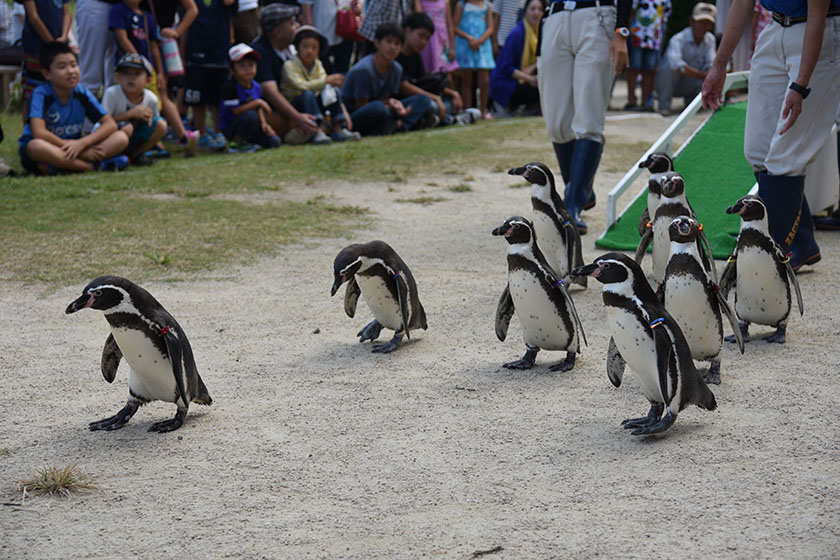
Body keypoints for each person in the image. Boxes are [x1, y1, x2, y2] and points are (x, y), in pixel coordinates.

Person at [702, 0, 840, 271]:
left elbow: (817, 14)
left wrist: (800, 86)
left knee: (785, 157)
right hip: (775, 28)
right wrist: (719, 66)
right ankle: (802, 242)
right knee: (757, 151)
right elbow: (742, 3)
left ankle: (770, 255)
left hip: (819, 32)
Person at [537, 0, 631, 234]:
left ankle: (572, 205)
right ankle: (581, 189)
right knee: (557, 124)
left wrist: (621, 30)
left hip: (596, 14)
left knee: (589, 119)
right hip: (554, 16)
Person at [18, 42, 130, 174]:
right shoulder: (41, 94)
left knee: (121, 137)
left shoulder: (80, 92)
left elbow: (110, 124)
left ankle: (62, 167)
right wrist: (79, 150)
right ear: (47, 73)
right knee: (36, 146)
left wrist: (82, 144)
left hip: (75, 147)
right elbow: (39, 133)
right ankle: (93, 167)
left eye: (74, 65)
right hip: (51, 147)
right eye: (62, 67)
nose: (71, 71)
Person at [109, 0, 198, 154]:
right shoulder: (118, 11)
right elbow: (122, 38)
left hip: (148, 68)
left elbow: (154, 46)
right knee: (130, 98)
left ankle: (177, 136)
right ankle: (137, 142)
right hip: (130, 67)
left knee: (159, 97)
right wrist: (137, 62)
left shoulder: (146, 17)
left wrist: (160, 72)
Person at [341, 22, 436, 135]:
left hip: (384, 108)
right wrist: (390, 107)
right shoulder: (364, 70)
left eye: (397, 44)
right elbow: (361, 106)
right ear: (377, 42)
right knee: (379, 109)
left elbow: (388, 97)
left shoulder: (396, 69)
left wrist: (395, 104)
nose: (392, 47)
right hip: (357, 113)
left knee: (423, 100)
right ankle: (399, 124)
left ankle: (397, 125)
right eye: (388, 42)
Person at [250, 3, 321, 144]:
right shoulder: (259, 52)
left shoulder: (294, 47)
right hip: (274, 110)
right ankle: (313, 130)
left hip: (297, 101)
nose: (297, 26)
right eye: (292, 23)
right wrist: (297, 118)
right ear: (278, 32)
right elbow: (271, 93)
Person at [281, 25, 360, 144]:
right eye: (305, 46)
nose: (309, 51)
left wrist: (329, 84)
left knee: (334, 91)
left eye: (314, 47)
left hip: (313, 102)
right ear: (297, 48)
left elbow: (323, 83)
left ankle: (339, 129)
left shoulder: (318, 64)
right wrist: (326, 81)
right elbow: (301, 85)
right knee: (307, 94)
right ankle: (317, 131)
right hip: (295, 105)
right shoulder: (289, 65)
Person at [398, 11, 469, 125]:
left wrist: (453, 93)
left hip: (418, 99)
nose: (423, 42)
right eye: (420, 36)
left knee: (447, 102)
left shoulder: (416, 56)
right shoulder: (396, 55)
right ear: (407, 30)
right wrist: (435, 98)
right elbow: (403, 87)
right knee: (429, 104)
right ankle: (451, 120)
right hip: (402, 101)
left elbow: (424, 82)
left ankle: (430, 119)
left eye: (427, 39)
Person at [183, 0, 236, 151]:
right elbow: (185, 24)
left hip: (220, 53)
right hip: (196, 53)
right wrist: (182, 54)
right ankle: (202, 134)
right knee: (198, 100)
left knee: (218, 98)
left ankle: (218, 132)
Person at [102, 53, 168, 166]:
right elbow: (103, 123)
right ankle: (113, 155)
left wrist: (147, 118)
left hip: (135, 137)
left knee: (161, 124)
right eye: (125, 73)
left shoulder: (151, 98)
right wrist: (130, 114)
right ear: (117, 77)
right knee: (127, 128)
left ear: (148, 80)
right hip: (112, 137)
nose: (131, 78)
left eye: (137, 74)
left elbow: (154, 122)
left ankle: (136, 155)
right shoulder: (112, 93)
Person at [654, 2, 716, 115]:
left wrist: (709, 74)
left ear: (711, 26)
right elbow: (676, 65)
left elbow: (711, 63)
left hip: (690, 83)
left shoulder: (710, 40)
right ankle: (664, 105)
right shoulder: (678, 38)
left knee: (713, 74)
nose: (703, 27)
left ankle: (692, 105)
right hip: (670, 83)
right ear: (692, 21)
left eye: (707, 23)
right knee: (668, 67)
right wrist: (702, 75)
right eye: (700, 22)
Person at [219, 43, 282, 152]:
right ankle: (236, 143)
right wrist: (257, 102)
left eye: (251, 65)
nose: (247, 69)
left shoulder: (256, 86)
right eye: (242, 65)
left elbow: (258, 109)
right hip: (232, 126)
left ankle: (249, 142)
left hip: (252, 124)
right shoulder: (230, 87)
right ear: (232, 70)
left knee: (274, 142)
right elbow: (235, 111)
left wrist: (264, 123)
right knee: (249, 116)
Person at [488, 0, 542, 115]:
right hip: (505, 83)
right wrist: (530, 79)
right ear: (525, 11)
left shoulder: (538, 33)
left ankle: (528, 107)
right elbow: (506, 68)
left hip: (520, 78)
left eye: (540, 9)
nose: (536, 13)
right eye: (532, 9)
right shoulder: (517, 33)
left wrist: (532, 68)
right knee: (543, 87)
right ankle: (514, 107)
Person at [17, 0, 72, 112]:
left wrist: (64, 36)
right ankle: (29, 128)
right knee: (32, 93)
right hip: (37, 50)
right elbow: (34, 17)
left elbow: (67, 14)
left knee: (59, 89)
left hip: (59, 48)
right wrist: (51, 43)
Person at [453, 0, 495, 119]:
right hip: (465, 45)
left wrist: (480, 40)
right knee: (467, 80)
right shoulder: (461, 5)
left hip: (483, 46)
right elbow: (454, 26)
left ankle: (482, 111)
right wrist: (468, 38)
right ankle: (468, 111)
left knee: (484, 81)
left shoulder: (487, 5)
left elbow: (490, 27)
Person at [625, 0, 670, 111]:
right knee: (634, 67)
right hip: (637, 34)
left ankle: (645, 102)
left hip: (654, 37)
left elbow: (665, 13)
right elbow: (632, 10)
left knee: (649, 70)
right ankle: (631, 101)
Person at [299, 0, 357, 74]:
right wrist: (311, 33)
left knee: (342, 71)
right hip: (321, 35)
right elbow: (306, 5)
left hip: (344, 33)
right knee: (322, 71)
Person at [74, 0, 117, 95]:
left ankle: (111, 106)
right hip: (96, 4)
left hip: (121, 5)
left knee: (114, 70)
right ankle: (85, 106)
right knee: (90, 71)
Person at [419, 0, 459, 73]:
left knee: (445, 73)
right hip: (427, 44)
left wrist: (452, 48)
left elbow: (449, 25)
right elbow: (418, 18)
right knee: (427, 71)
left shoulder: (445, 2)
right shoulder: (421, 2)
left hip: (443, 43)